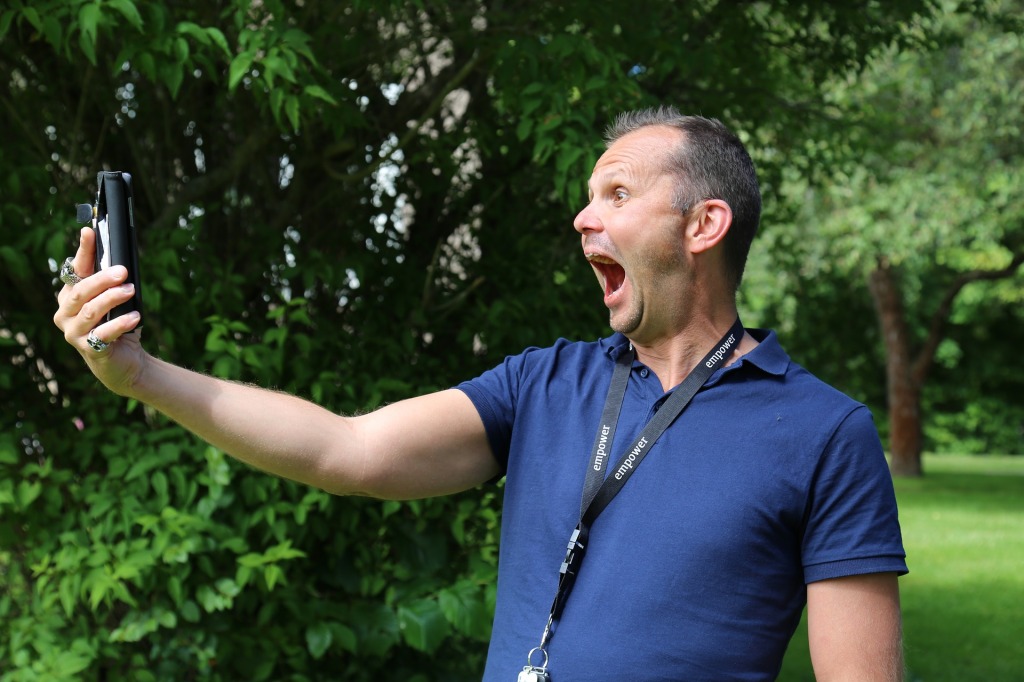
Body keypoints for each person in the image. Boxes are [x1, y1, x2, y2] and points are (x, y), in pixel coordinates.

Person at [54, 106, 907, 681]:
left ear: (703, 225)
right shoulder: (544, 383)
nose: (583, 218)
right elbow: (345, 450)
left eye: (616, 193)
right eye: (585, 198)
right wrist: (139, 375)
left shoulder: (823, 433)